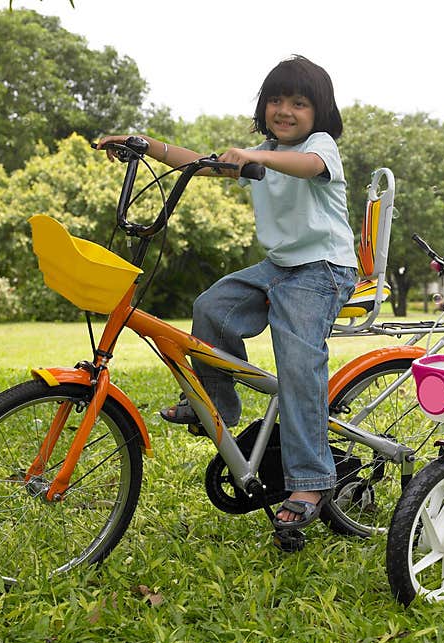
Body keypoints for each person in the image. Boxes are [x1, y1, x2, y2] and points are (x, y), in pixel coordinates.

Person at [97, 55, 357, 531]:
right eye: (276, 100)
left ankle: (313, 479)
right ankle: (217, 406)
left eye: (300, 103)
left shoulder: (319, 148)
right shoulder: (260, 153)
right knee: (212, 308)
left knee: (297, 359)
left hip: (323, 269)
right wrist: (145, 144)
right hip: (278, 267)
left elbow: (306, 165)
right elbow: (198, 165)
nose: (286, 110)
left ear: (319, 113)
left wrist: (256, 156)